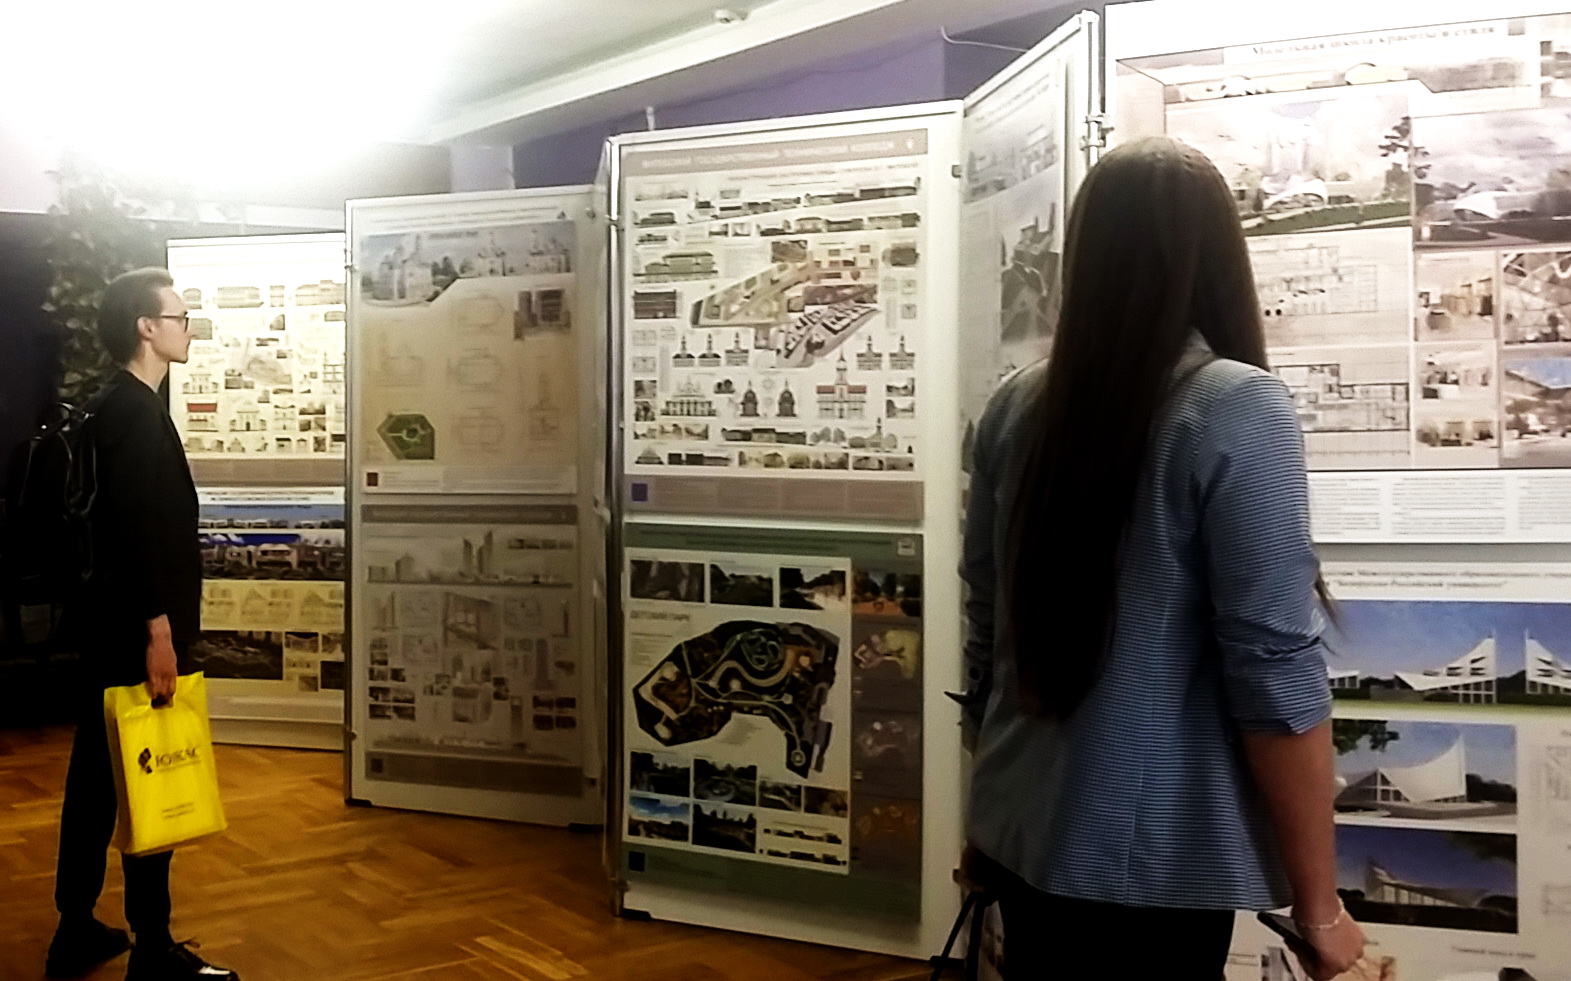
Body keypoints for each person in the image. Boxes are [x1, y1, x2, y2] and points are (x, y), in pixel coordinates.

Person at [958, 138, 1366, 981]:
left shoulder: (1015, 403)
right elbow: (1273, 670)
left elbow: (987, 633)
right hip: (1150, 863)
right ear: (1219, 253)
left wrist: (989, 817)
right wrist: (1319, 907)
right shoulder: (1234, 403)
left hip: (1027, 835)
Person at [47, 268, 238, 981]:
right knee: (149, 775)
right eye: (179, 317)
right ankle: (152, 947)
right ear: (146, 327)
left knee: (97, 783)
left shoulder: (113, 406)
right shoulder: (132, 411)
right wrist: (159, 632)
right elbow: (135, 532)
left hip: (111, 624)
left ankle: (74, 927)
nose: (190, 329)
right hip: (137, 631)